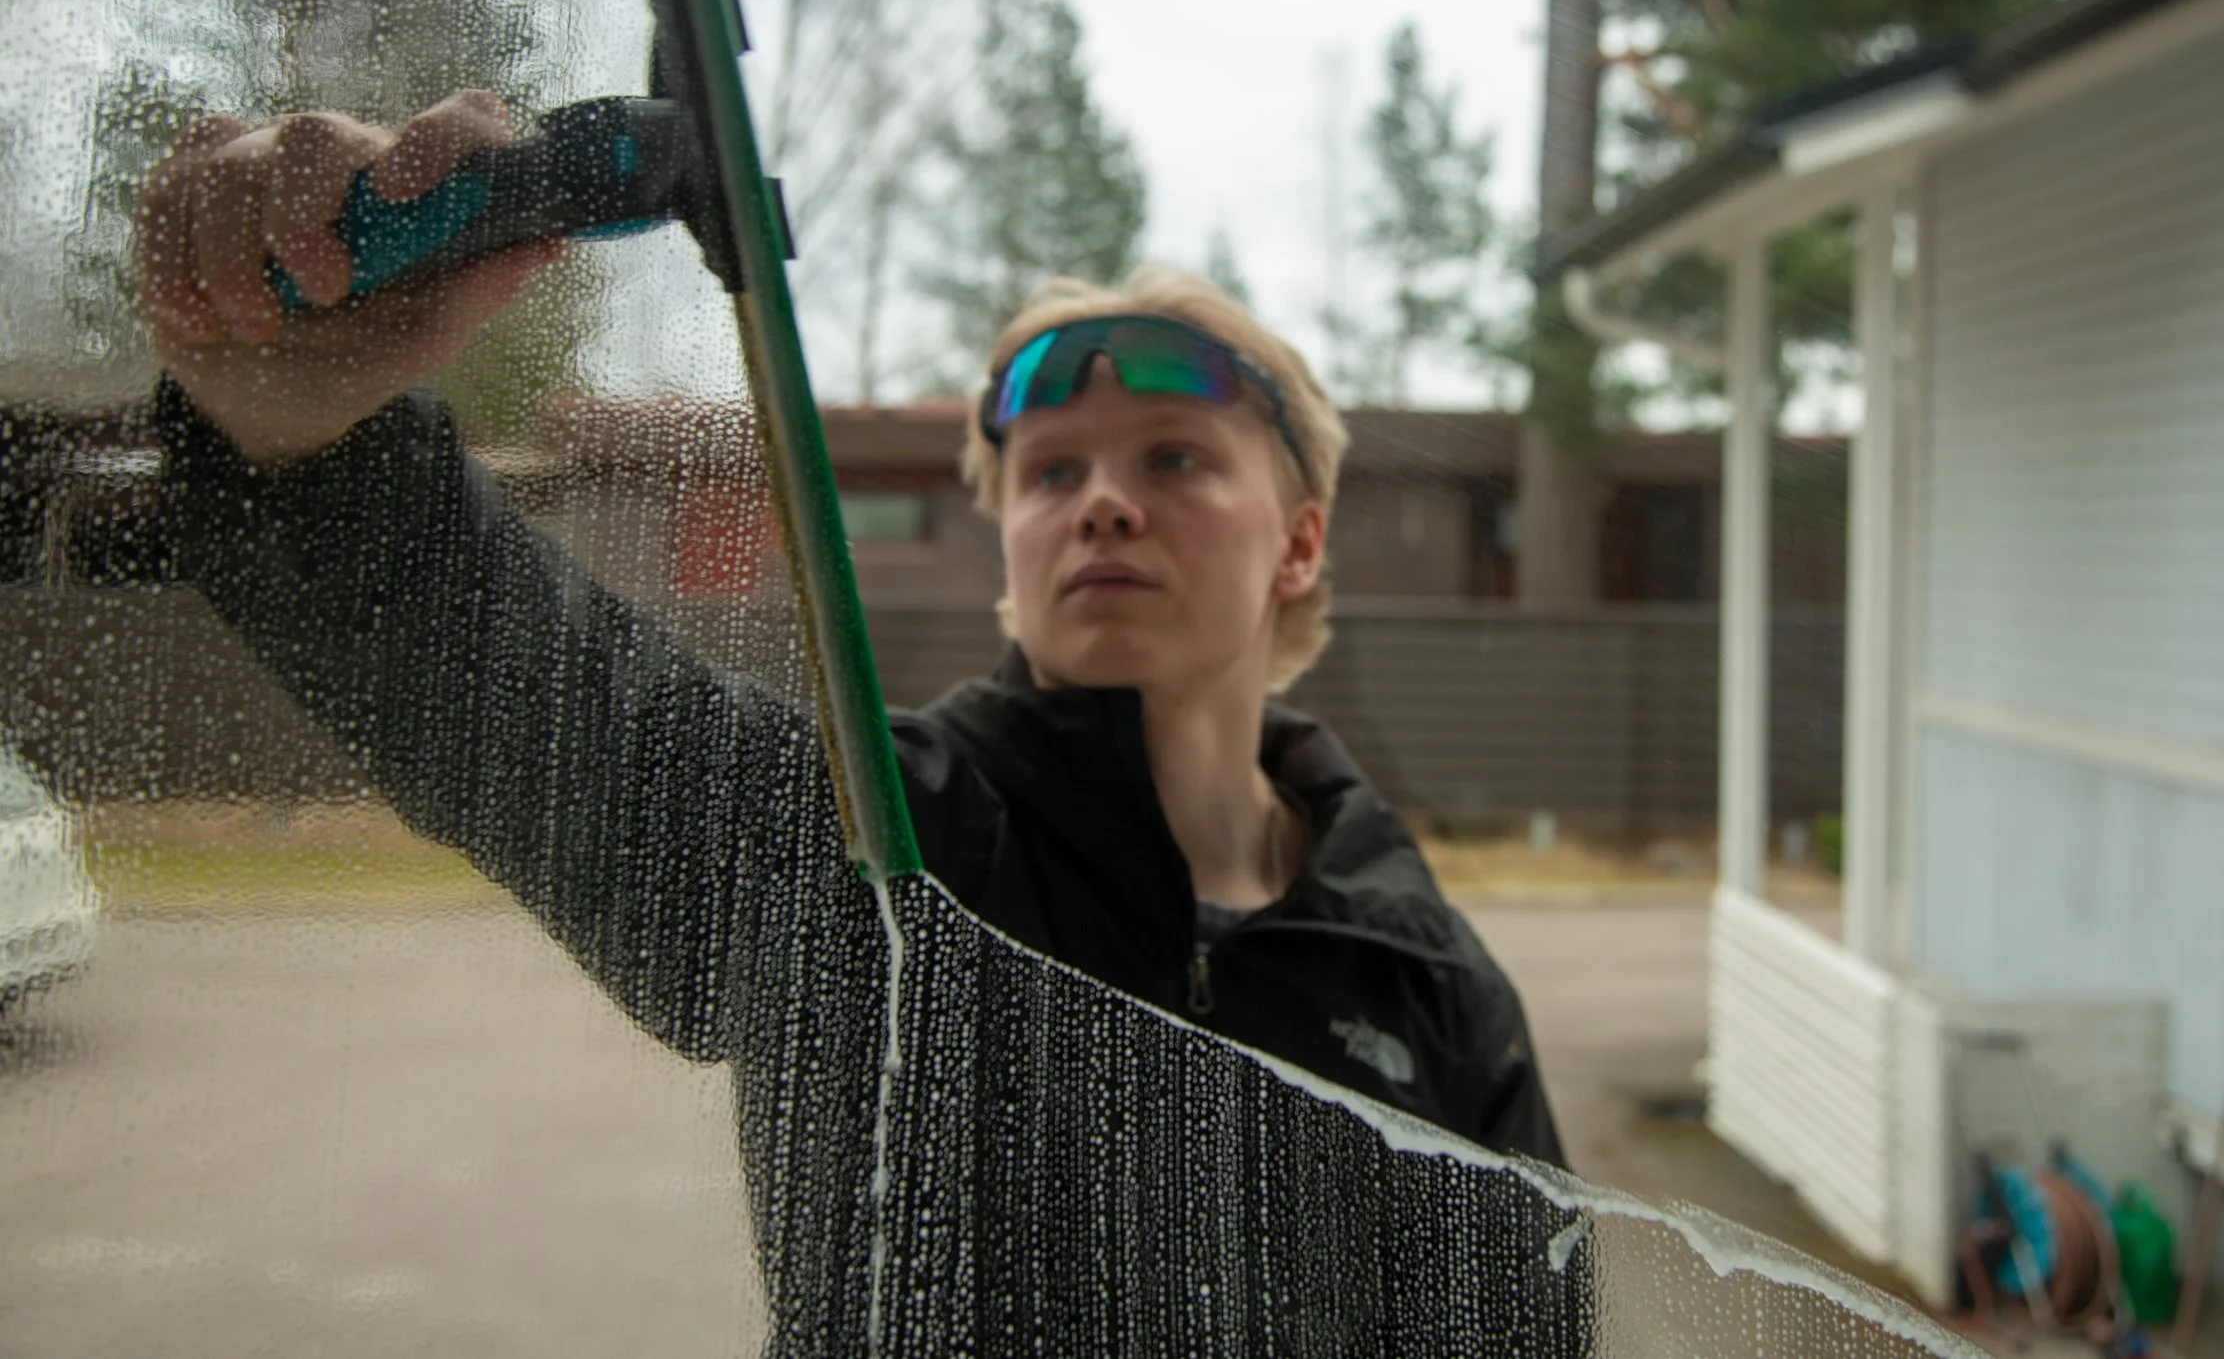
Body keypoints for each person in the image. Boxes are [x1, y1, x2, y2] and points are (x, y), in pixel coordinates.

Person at [136, 92, 1571, 1342]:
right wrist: (299, 437)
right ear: (1011, 539)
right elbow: (523, 691)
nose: (1104, 501)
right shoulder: (864, 844)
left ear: (1302, 546)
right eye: (1051, 470)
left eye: (1178, 455)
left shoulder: (1427, 976)